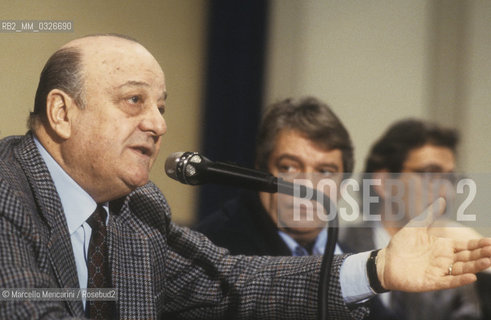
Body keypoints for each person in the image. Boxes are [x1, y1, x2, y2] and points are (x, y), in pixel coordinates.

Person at [1, 34, 490, 320]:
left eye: (161, 107)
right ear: (62, 113)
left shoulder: (138, 210)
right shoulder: (7, 193)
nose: (158, 123)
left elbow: (232, 281)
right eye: (134, 100)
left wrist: (376, 269)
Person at [339, 119, 484, 319]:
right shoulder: (337, 245)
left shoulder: (452, 257)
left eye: (450, 178)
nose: (447, 192)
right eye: (430, 174)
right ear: (384, 182)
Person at [196, 96, 351, 257]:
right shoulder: (214, 250)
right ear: (260, 174)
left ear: (342, 188)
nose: (307, 186)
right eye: (289, 167)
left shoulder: (355, 262)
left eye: (325, 172)